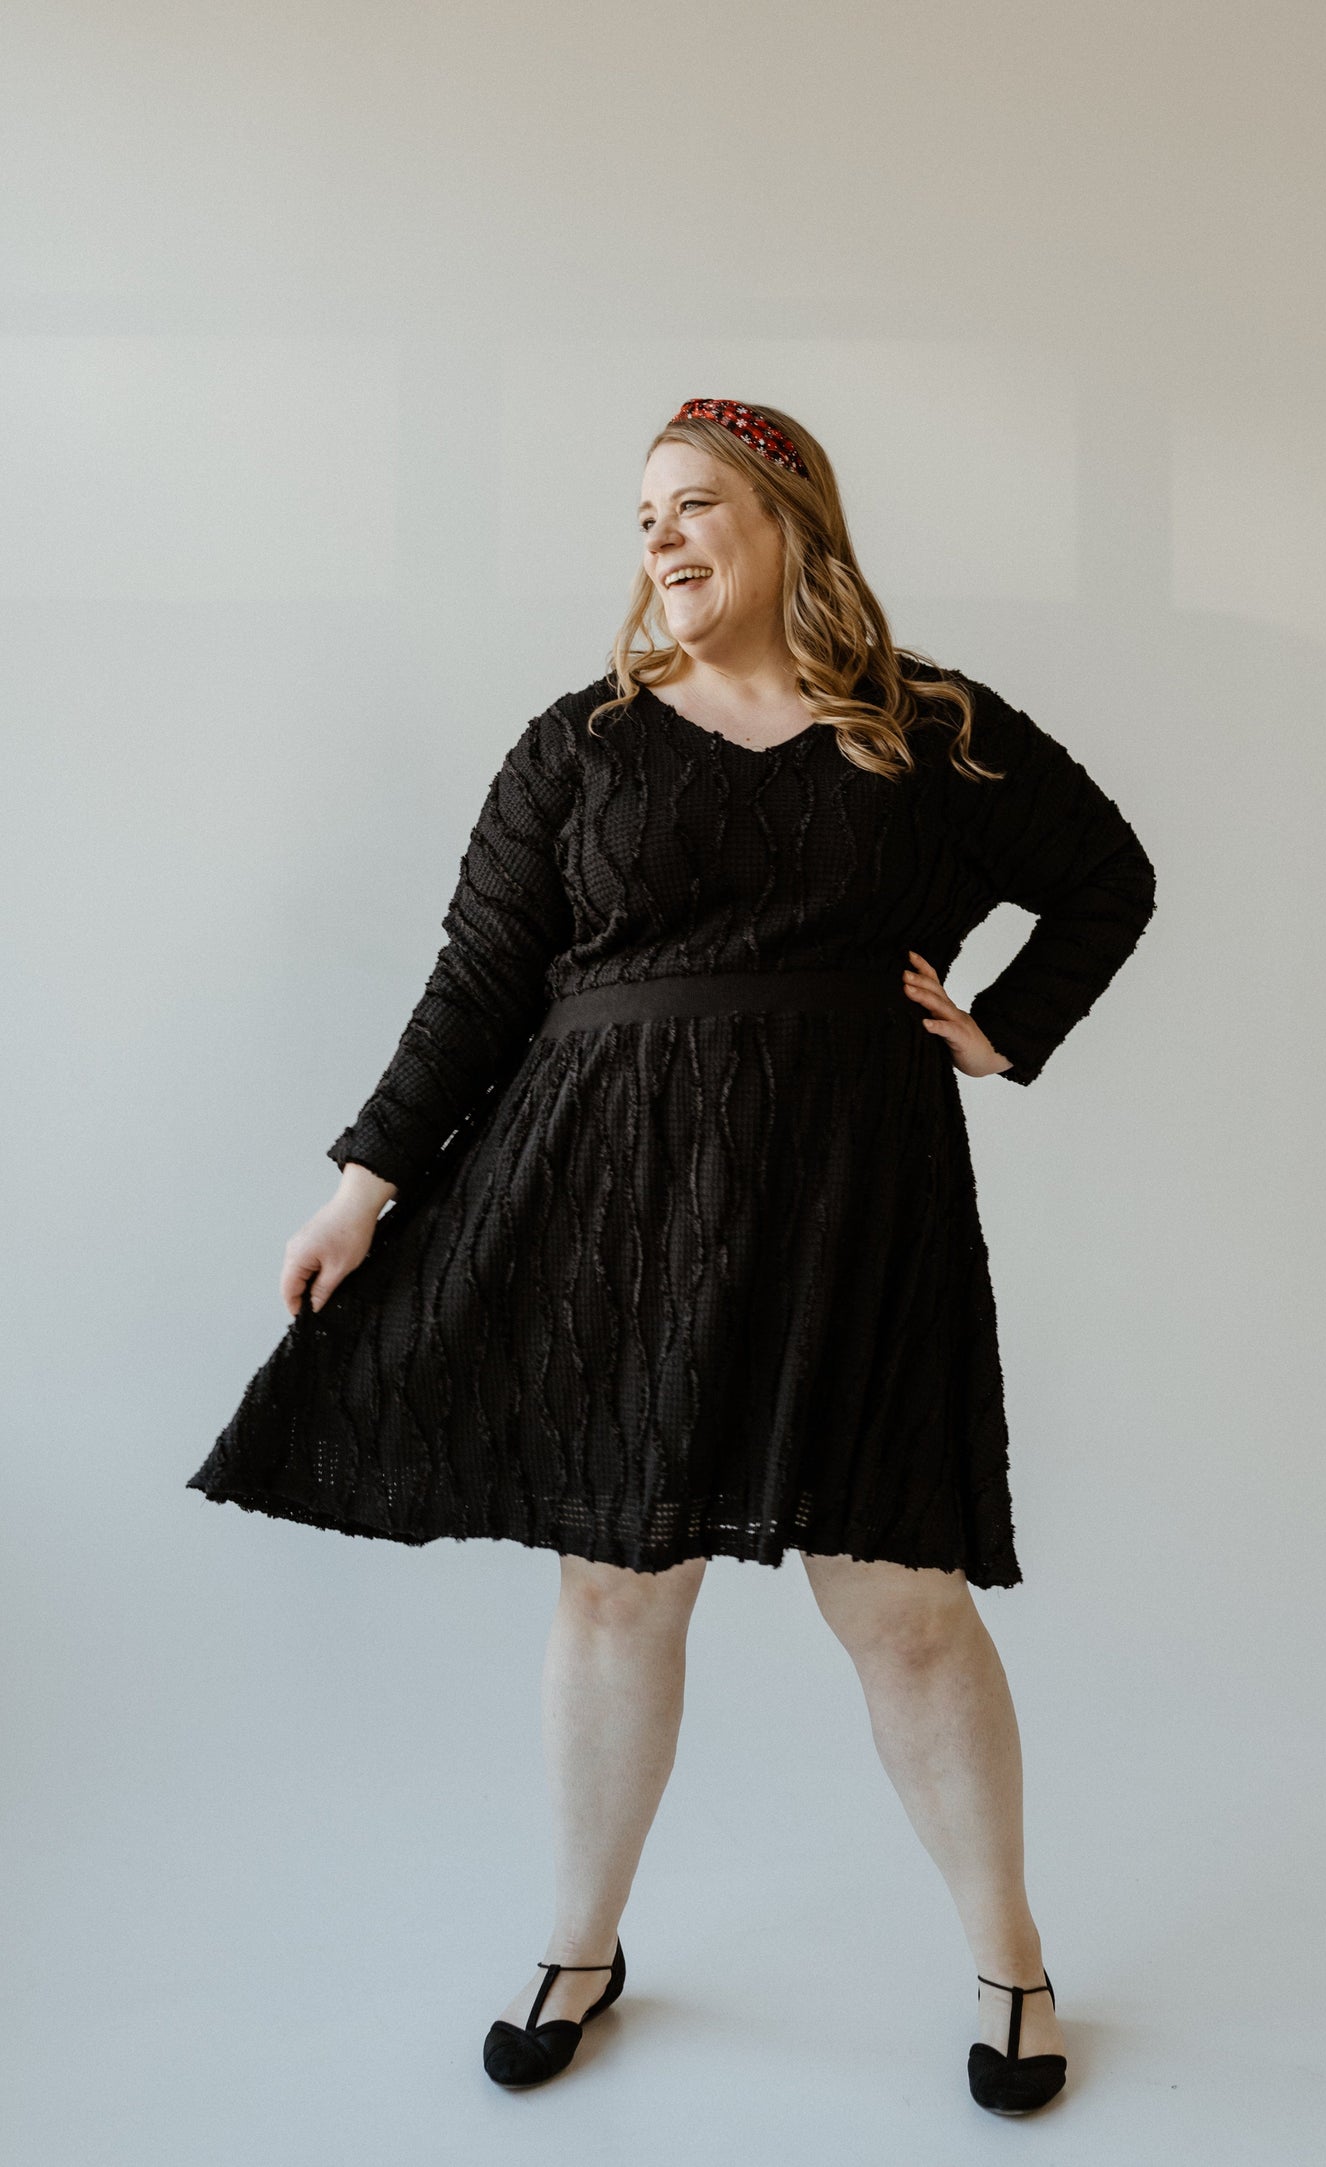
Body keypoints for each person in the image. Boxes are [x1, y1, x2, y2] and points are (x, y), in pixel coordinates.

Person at [187, 396, 1157, 2115]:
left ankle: (1010, 1959)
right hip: (608, 1200)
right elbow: (480, 981)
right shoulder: (581, 742)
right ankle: (581, 1943)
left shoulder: (928, 728)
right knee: (615, 1583)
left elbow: (1106, 876)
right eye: (641, 517)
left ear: (790, 520)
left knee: (905, 1607)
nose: (659, 541)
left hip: (856, 1203)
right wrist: (362, 1186)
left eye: (693, 504)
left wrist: (1004, 1030)